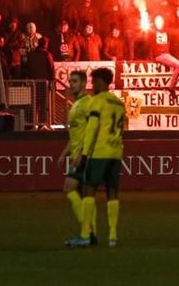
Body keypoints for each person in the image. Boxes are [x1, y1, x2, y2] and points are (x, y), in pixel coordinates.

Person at [67, 68, 126, 248]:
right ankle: (113, 236)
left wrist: (84, 154)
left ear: (102, 82)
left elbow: (92, 128)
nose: (93, 85)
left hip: (99, 152)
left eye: (95, 81)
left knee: (88, 189)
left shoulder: (97, 101)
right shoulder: (118, 103)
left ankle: (86, 234)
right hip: (116, 151)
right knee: (112, 192)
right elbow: (123, 127)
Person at [57, 71, 96, 246]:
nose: (70, 84)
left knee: (69, 188)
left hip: (85, 156)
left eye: (74, 81)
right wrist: (64, 153)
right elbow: (75, 134)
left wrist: (81, 155)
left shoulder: (87, 104)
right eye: (70, 81)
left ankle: (86, 234)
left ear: (83, 84)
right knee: (83, 194)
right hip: (78, 154)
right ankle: (90, 234)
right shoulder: (76, 104)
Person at [152, 15, 179, 92]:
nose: (159, 23)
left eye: (160, 21)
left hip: (166, 55)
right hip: (160, 55)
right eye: (157, 21)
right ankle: (171, 87)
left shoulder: (166, 32)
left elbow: (176, 36)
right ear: (155, 23)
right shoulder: (152, 32)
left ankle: (171, 87)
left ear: (163, 22)